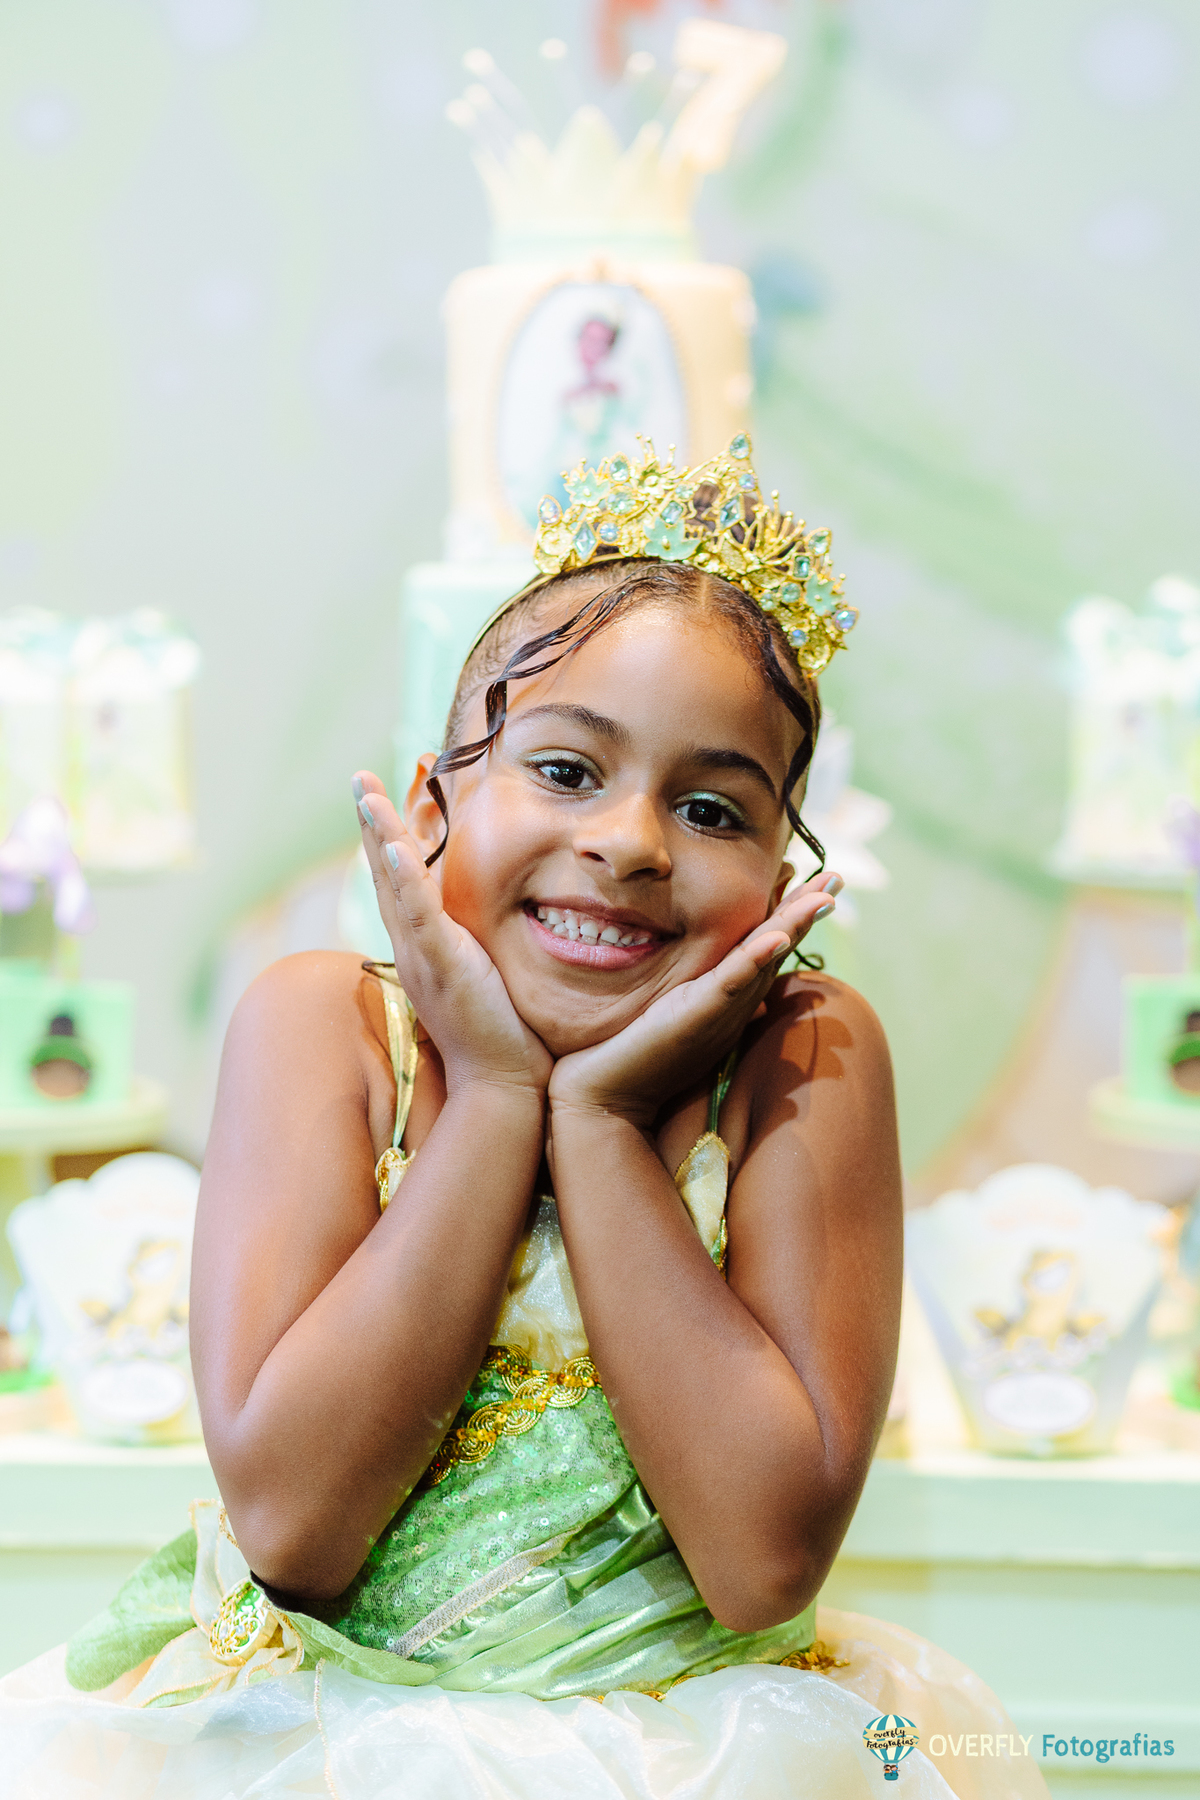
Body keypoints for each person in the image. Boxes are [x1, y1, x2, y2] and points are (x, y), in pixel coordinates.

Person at [0, 442, 1047, 1800]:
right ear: (433, 809)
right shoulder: (324, 1028)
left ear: (786, 878)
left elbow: (759, 1559)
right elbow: (293, 1524)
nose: (630, 841)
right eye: (565, 770)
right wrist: (497, 1097)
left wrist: (600, 1124)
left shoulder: (807, 1053)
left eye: (713, 806)